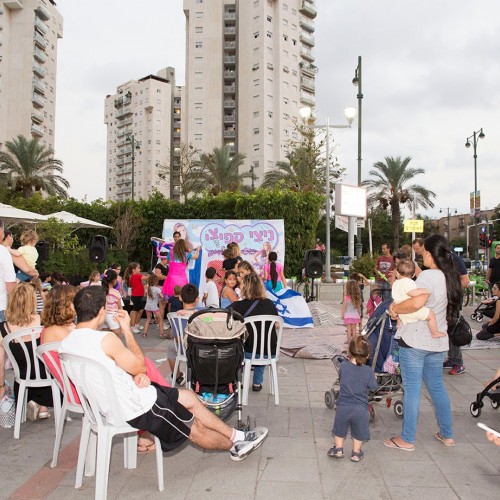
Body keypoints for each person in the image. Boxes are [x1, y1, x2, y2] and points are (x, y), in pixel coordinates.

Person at [59, 286, 268, 460]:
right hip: (137, 407)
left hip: (113, 403)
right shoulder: (105, 340)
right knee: (194, 428)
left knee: (188, 397)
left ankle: (237, 434)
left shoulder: (66, 344)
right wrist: (127, 331)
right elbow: (140, 366)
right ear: (101, 311)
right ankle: (235, 445)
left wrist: (135, 375)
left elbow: (106, 370)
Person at [40, 285, 174, 453]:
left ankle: (150, 423)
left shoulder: (59, 328)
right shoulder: (58, 331)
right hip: (83, 389)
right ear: (65, 305)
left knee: (138, 367)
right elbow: (92, 353)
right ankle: (164, 408)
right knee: (139, 368)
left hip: (82, 382)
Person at [384, 234, 461, 451]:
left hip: (415, 340)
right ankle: (447, 434)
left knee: (412, 390)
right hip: (437, 342)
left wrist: (394, 309)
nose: (422, 255)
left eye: (424, 251)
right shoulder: (449, 276)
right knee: (437, 388)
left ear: (430, 253)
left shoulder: (428, 276)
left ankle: (407, 439)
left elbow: (416, 303)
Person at [413, 238, 470, 375]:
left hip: (452, 300)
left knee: (453, 329)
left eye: (422, 249)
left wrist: (450, 290)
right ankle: (451, 358)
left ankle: (458, 362)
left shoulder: (454, 259)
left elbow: (465, 280)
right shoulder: (435, 263)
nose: (421, 252)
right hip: (443, 300)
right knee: (444, 328)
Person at [0, 282, 54, 420]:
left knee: (26, 370)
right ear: (32, 301)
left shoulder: (3, 328)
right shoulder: (43, 320)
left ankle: (33, 402)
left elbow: (0, 364)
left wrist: (1, 386)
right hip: (48, 378)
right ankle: (42, 406)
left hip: (23, 380)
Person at [327, 336, 378, 462]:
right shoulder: (368, 371)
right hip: (361, 409)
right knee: (359, 432)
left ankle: (338, 449)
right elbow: (373, 387)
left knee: (339, 430)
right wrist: (374, 378)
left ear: (349, 352)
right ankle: (356, 453)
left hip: (343, 407)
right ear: (367, 355)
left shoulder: (344, 366)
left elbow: (342, 377)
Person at [230, 273, 280, 392]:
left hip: (248, 352)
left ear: (245, 288)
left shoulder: (237, 306)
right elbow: (277, 325)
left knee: (238, 349)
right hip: (270, 352)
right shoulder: (269, 303)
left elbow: (228, 321)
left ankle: (238, 381)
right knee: (262, 345)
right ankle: (257, 383)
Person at [392, 259, 446, 338]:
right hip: (410, 311)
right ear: (413, 275)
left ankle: (398, 326)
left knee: (400, 320)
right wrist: (424, 291)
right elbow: (412, 293)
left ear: (396, 273)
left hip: (400, 312)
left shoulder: (395, 283)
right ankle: (435, 332)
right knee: (431, 315)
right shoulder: (408, 282)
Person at [124, 262, 145, 334]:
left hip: (139, 295)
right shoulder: (135, 275)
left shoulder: (136, 275)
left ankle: (136, 324)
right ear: (133, 270)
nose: (140, 269)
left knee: (140, 310)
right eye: (138, 268)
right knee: (134, 311)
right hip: (135, 296)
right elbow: (145, 277)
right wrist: (152, 275)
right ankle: (132, 326)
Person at [143, 273, 165, 338]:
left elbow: (145, 295)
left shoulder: (148, 288)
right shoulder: (157, 289)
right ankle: (161, 333)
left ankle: (144, 333)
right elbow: (162, 296)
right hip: (154, 307)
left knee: (148, 319)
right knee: (160, 319)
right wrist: (162, 299)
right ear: (156, 281)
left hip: (147, 306)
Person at [102, 270, 123, 336]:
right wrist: (122, 317)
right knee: (118, 335)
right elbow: (120, 307)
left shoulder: (101, 291)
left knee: (105, 336)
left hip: (103, 315)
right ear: (114, 280)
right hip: (112, 316)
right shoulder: (115, 292)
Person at [342, 280, 362, 344]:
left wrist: (342, 314)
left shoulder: (346, 297)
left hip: (348, 315)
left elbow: (344, 306)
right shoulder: (357, 297)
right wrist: (359, 314)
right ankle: (354, 341)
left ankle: (349, 341)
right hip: (355, 315)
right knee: (354, 329)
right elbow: (359, 307)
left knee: (348, 329)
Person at [154, 249, 169, 320]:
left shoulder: (167, 266)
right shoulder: (159, 266)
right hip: (161, 287)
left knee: (163, 305)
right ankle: (160, 321)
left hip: (166, 287)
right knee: (161, 305)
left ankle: (160, 321)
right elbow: (157, 276)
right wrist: (167, 277)